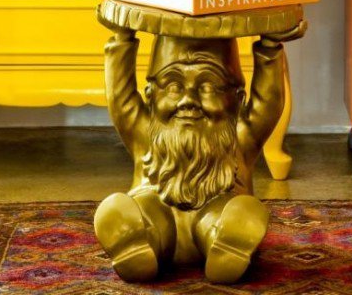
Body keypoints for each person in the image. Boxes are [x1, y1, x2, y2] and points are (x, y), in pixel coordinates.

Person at [94, 21, 305, 283]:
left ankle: (229, 238)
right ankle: (136, 239)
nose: (188, 101)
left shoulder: (239, 136)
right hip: (157, 209)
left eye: (207, 87)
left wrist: (270, 47)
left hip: (218, 210)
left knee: (228, 213)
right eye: (174, 87)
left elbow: (267, 104)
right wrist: (121, 38)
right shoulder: (145, 131)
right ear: (150, 95)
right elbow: (120, 98)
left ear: (237, 99)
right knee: (145, 211)